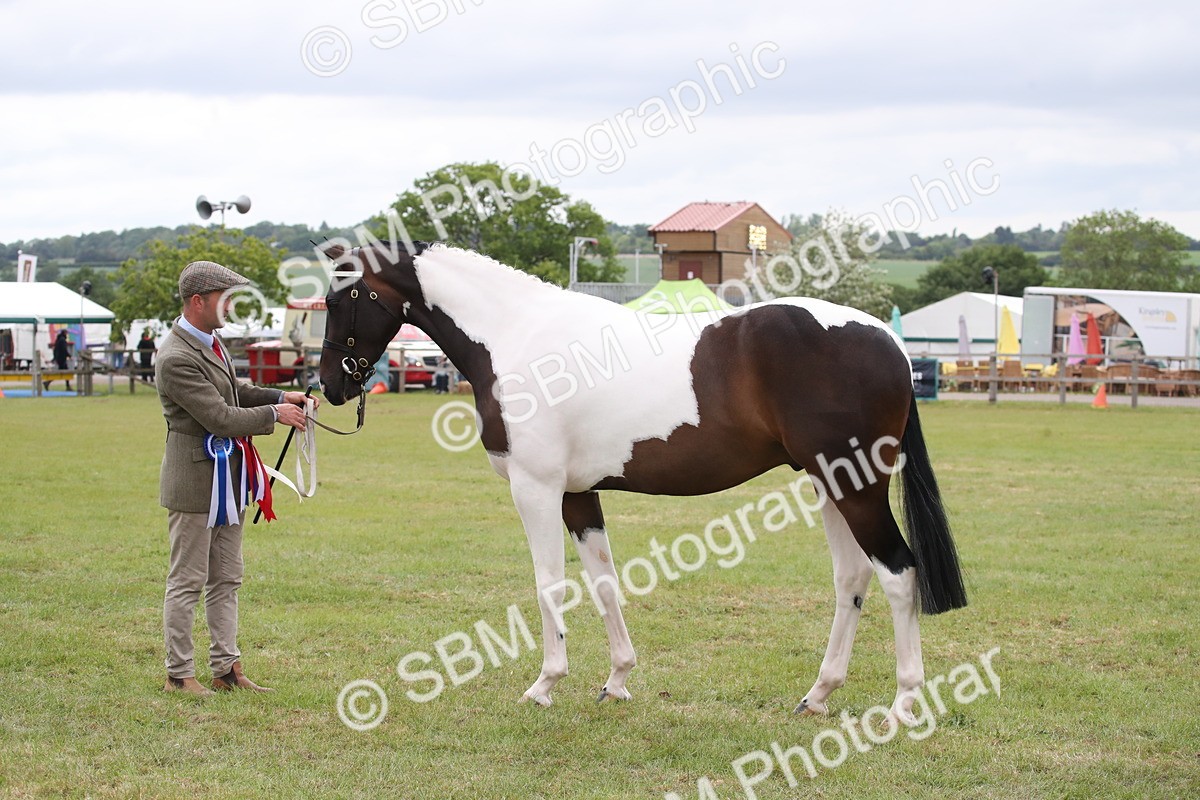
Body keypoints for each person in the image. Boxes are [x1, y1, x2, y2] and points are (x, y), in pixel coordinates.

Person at [156, 260, 316, 697]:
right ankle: (179, 675)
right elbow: (221, 417)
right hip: (193, 484)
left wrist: (282, 395)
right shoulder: (175, 357)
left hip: (227, 483)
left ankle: (226, 669)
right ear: (198, 301)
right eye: (224, 298)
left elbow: (235, 391)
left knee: (227, 578)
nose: (231, 305)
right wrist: (274, 414)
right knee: (187, 581)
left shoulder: (211, 343)